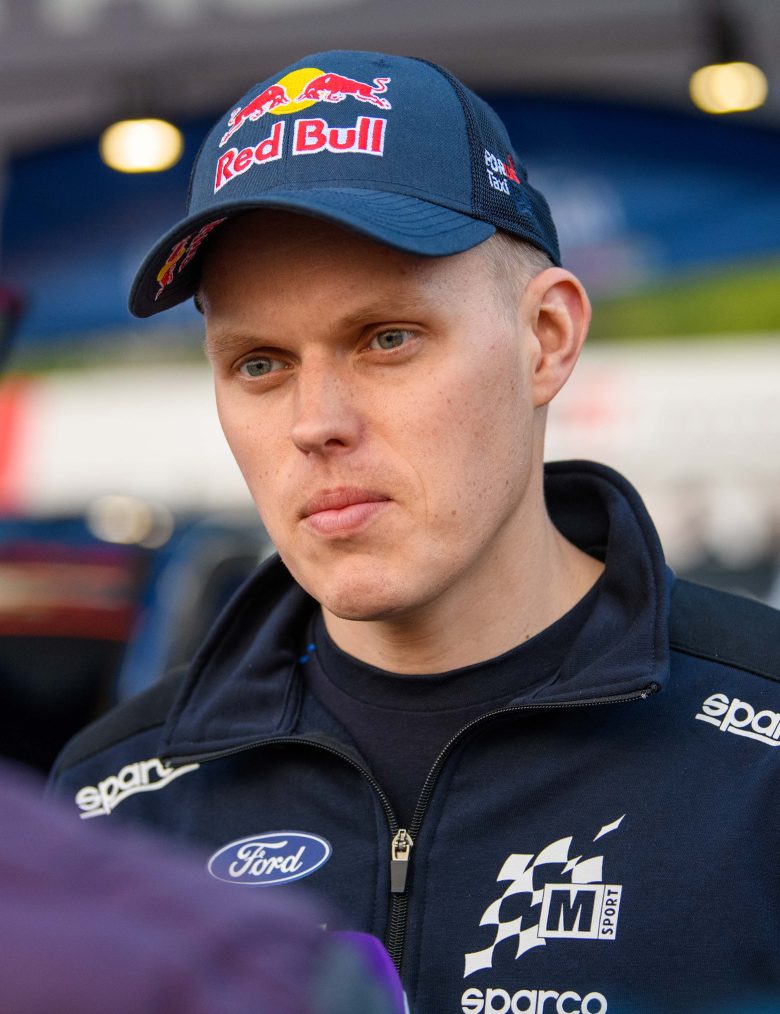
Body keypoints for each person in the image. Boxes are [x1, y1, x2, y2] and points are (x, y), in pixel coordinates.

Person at [50, 50, 780, 1014]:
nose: (316, 422)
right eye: (259, 362)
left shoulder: (758, 754)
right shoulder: (113, 803)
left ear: (547, 338)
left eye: (387, 339)